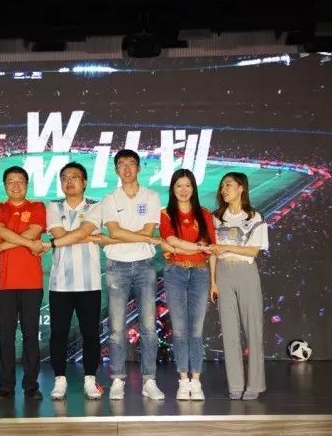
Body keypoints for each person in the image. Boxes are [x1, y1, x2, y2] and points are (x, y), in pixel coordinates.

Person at [99, 149, 173, 401]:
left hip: (144, 265)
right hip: (116, 266)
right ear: (116, 170)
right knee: (116, 328)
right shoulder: (109, 199)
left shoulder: (151, 196)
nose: (127, 168)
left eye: (132, 163)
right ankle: (117, 380)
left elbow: (148, 230)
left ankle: (149, 380)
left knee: (149, 327)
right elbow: (114, 231)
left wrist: (124, 236)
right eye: (122, 164)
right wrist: (138, 237)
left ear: (139, 168)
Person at [46, 162, 108, 400]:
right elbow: (62, 234)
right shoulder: (53, 206)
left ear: (84, 182)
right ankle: (59, 380)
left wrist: (80, 236)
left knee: (90, 333)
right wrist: (89, 237)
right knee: (58, 333)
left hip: (89, 283)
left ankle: (90, 380)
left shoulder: (96, 205)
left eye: (74, 177)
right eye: (64, 178)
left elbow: (80, 232)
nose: (69, 181)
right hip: (60, 284)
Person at [0, 166, 48, 400]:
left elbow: (34, 232)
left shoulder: (37, 206)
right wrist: (29, 244)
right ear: (5, 186)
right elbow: (0, 230)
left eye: (20, 181)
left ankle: (31, 386)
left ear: (26, 184)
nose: (15, 186)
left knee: (31, 335)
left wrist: (1, 247)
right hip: (3, 281)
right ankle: (5, 386)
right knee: (6, 336)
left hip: (31, 281)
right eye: (11, 182)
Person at [209, 172, 269, 400]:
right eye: (222, 186)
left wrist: (226, 248)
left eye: (228, 185)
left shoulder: (254, 217)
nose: (224, 189)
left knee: (253, 329)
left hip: (246, 272)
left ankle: (255, 384)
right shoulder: (216, 218)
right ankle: (235, 384)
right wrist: (213, 281)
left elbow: (253, 251)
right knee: (229, 331)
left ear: (241, 187)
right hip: (223, 272)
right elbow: (212, 252)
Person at [159, 169, 217, 401]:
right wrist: (198, 247)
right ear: (172, 189)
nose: (183, 190)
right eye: (179, 186)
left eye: (188, 185)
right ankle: (183, 380)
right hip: (175, 273)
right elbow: (170, 241)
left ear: (194, 188)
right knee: (180, 330)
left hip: (201, 274)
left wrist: (214, 281)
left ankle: (196, 381)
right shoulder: (165, 214)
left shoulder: (205, 214)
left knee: (196, 331)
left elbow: (212, 250)